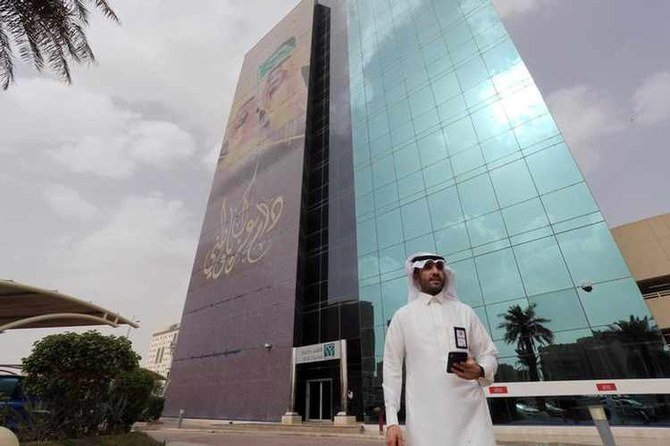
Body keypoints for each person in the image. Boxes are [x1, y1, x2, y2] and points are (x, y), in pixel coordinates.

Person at [383, 252, 499, 446]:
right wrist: (392, 422)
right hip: (426, 426)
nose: (435, 271)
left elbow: (489, 354)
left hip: (473, 422)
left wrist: (480, 370)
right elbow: (392, 370)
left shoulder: (465, 312)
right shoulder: (402, 317)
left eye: (439, 266)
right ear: (415, 275)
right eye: (428, 267)